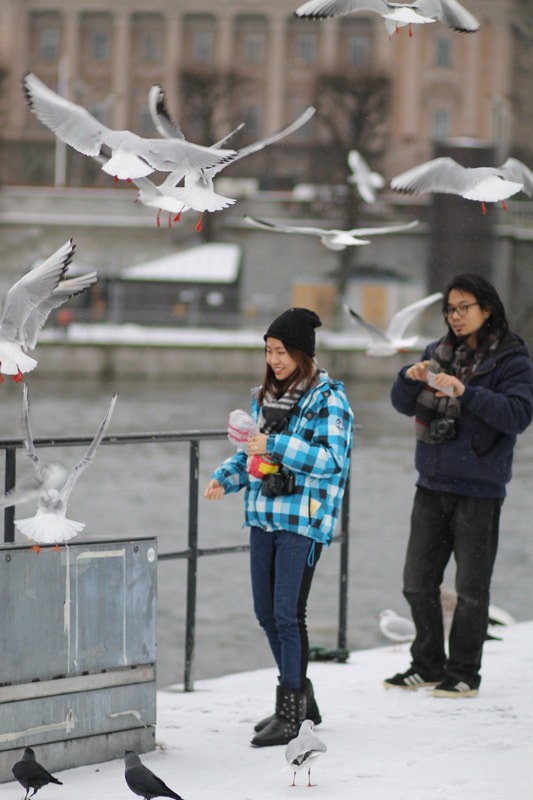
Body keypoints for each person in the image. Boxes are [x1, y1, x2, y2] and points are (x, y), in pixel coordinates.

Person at [204, 307, 353, 746]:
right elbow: (250, 455)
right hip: (263, 517)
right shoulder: (263, 399)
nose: (275, 360)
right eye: (269, 351)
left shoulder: (329, 399)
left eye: (282, 352)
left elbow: (331, 460)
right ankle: (302, 699)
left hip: (303, 520)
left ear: (302, 353)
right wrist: (224, 477)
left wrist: (277, 444)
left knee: (288, 616)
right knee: (266, 614)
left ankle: (291, 714)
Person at [385, 273, 533, 697]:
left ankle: (464, 671)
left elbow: (518, 415)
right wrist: (409, 377)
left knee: (470, 590)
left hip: (479, 489)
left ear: (487, 309)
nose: (456, 315)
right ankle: (428, 664)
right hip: (431, 482)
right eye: (450, 308)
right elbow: (401, 404)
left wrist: (465, 392)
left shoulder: (511, 359)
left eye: (464, 307)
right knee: (417, 581)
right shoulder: (438, 352)